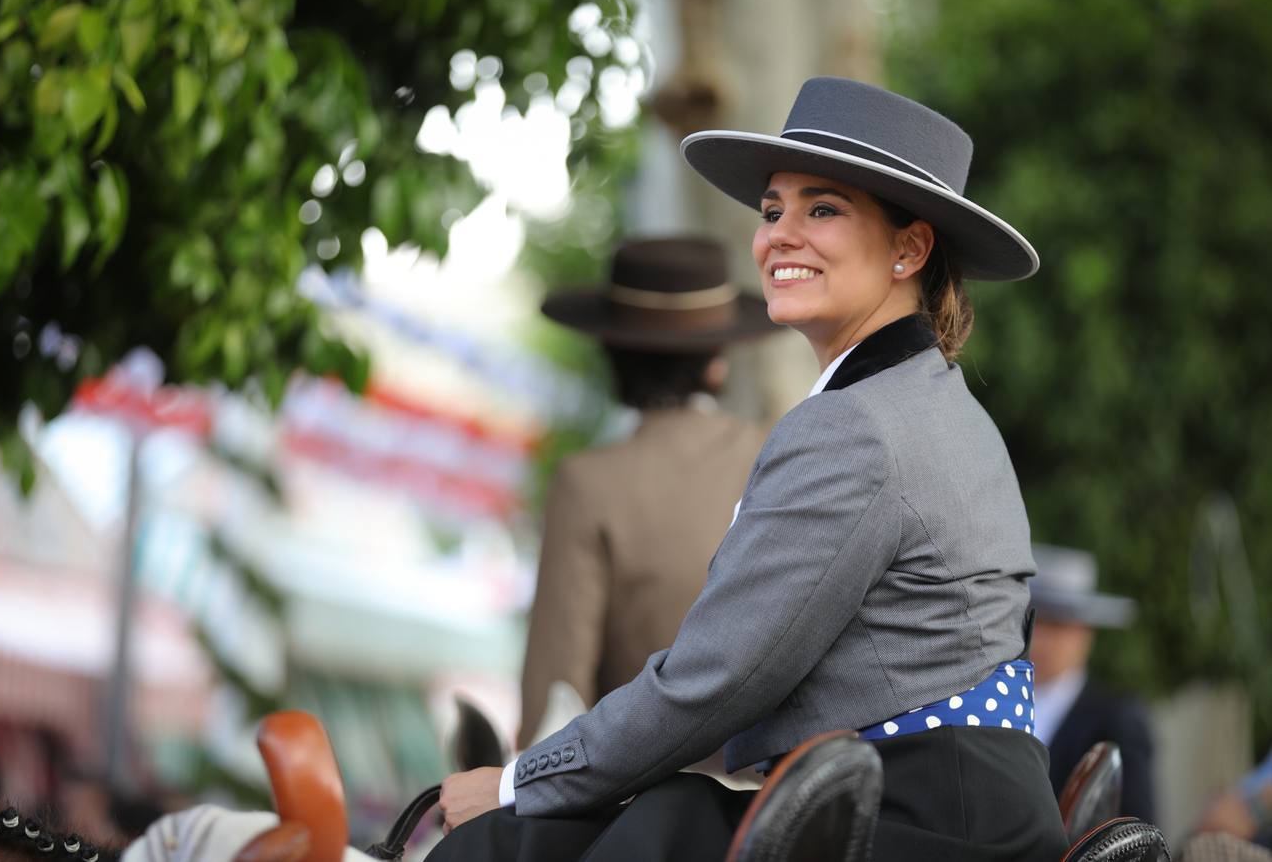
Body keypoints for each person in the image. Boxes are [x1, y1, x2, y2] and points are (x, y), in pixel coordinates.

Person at [430, 76, 1068, 862]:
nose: (777, 237)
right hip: (952, 805)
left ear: (909, 248)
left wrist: (512, 785)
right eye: (771, 212)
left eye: (821, 209)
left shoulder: (855, 427)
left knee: (524, 844)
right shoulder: (928, 402)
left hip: (914, 819)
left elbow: (719, 679)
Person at [517, 237, 776, 750]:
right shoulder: (784, 454)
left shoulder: (588, 484)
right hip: (787, 802)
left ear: (613, 353)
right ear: (718, 360)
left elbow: (557, 703)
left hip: (644, 815)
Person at [1027, 543, 1156, 821]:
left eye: (1057, 623)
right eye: (1032, 620)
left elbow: (1135, 831)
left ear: (1085, 632)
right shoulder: (990, 705)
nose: (1041, 637)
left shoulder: (1116, 719)